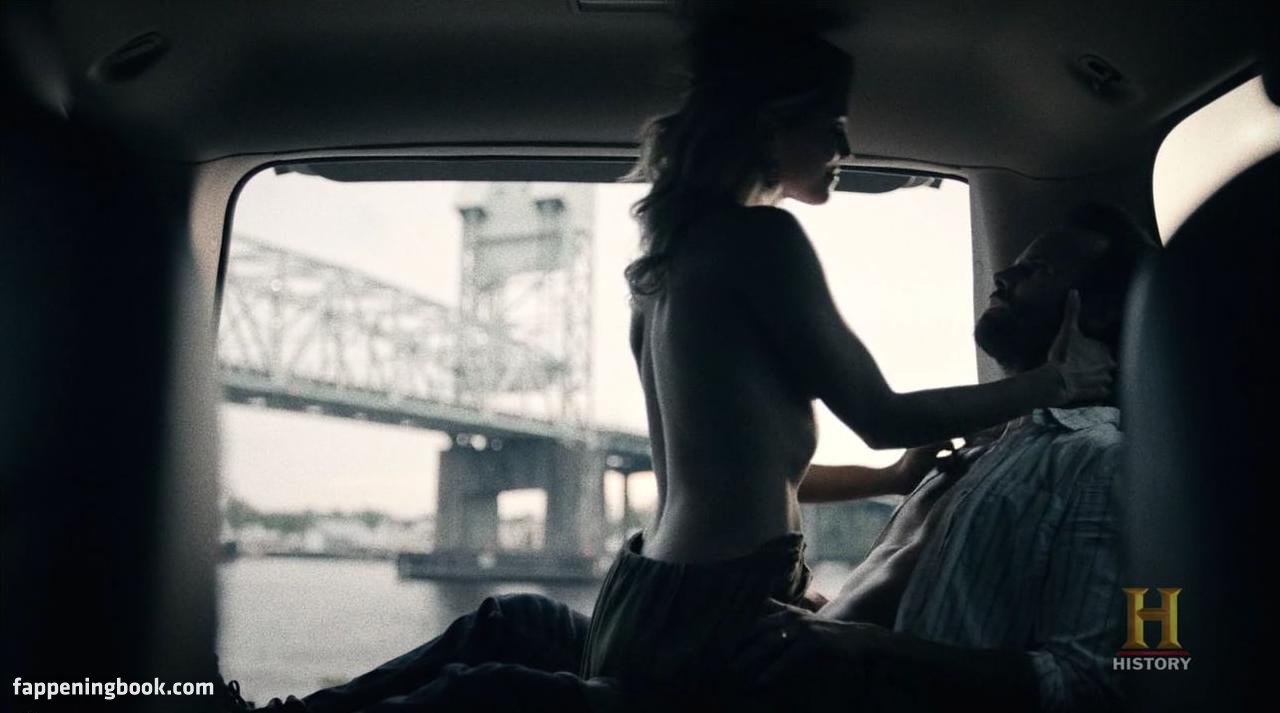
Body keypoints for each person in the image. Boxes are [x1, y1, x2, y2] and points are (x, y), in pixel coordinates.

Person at [575, 17, 1112, 705]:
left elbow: (733, 472)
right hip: (721, 602)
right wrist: (1055, 383)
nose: (846, 147)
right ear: (771, 126)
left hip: (650, 593)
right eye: (832, 125)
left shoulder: (663, 266)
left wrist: (890, 479)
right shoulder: (763, 238)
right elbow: (882, 417)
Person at [728, 203, 1160, 713]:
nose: (1002, 276)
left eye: (1036, 270)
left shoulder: (1104, 463)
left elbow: (1095, 680)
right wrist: (826, 617)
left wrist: (864, 644)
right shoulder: (979, 454)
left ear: (1100, 311)